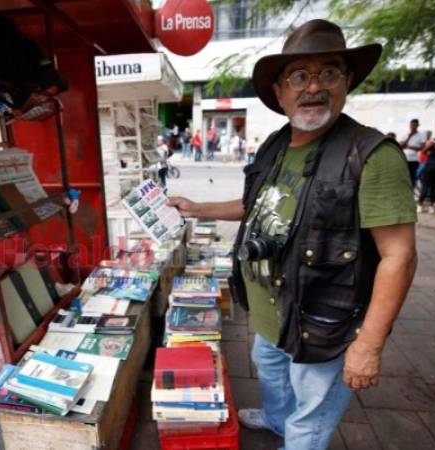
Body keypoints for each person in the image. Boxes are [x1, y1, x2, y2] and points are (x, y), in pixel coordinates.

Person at [168, 19, 417, 449]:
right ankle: (275, 419)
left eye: (329, 73)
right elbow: (258, 206)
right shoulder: (277, 144)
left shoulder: (371, 156)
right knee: (271, 371)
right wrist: (198, 208)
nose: (313, 87)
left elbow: (399, 256)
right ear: (280, 92)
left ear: (347, 81)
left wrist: (369, 345)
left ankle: (295, 437)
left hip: (324, 324)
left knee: (311, 417)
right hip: (272, 316)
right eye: (299, 75)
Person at [399, 119, 426, 185]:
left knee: (412, 177)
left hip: (414, 160)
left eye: (414, 126)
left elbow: (421, 148)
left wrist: (409, 146)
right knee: (403, 176)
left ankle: (411, 190)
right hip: (404, 158)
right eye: (411, 126)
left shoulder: (421, 135)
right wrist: (409, 137)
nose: (412, 127)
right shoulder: (405, 134)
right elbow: (401, 146)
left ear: (417, 126)